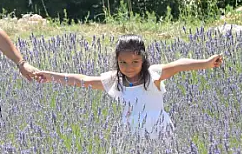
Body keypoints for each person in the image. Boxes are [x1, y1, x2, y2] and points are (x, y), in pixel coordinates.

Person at [36, 35, 223, 138]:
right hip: (130, 132)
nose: (129, 67)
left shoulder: (153, 75)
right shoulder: (114, 80)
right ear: (117, 62)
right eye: (123, 63)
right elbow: (83, 80)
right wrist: (50, 76)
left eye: (135, 61)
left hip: (158, 128)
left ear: (143, 60)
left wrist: (205, 63)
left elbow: (180, 64)